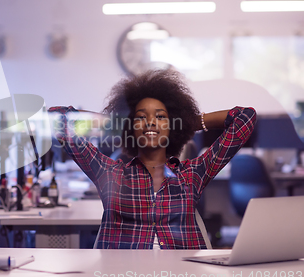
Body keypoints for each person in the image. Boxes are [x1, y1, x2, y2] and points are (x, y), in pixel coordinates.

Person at [48, 69, 256, 249]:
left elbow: (245, 118)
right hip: (123, 276)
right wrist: (115, 122)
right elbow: (58, 117)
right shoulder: (110, 173)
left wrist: (188, 122)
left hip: (183, 276)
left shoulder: (192, 174)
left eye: (160, 117)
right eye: (140, 117)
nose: (150, 122)